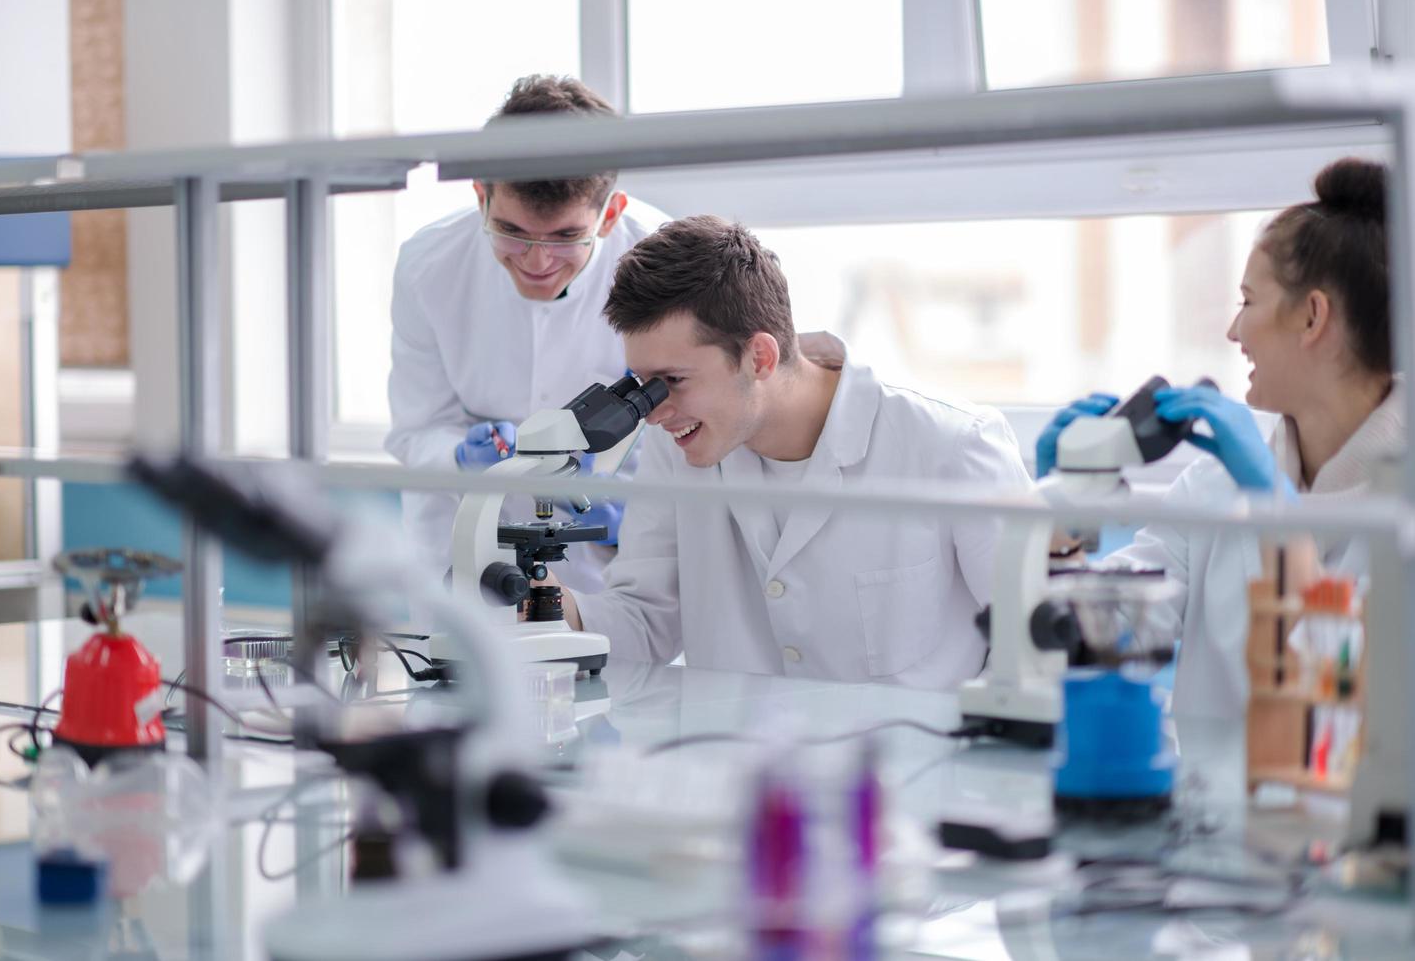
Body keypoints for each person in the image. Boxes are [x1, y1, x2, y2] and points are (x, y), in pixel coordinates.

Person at [561, 215, 1033, 689]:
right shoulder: (678, 447)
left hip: (915, 758)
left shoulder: (952, 445)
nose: (654, 413)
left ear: (760, 358)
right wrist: (557, 609)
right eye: (646, 386)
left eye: (674, 381)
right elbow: (646, 623)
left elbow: (1034, 646)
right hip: (736, 757)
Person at [1036, 157, 1402, 718]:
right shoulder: (1212, 484)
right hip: (1205, 801)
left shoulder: (1400, 506)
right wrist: (1057, 523)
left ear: (1312, 317)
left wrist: (1272, 506)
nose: (1234, 331)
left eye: (1248, 301)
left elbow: (1334, 704)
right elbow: (1106, 637)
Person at [384, 75, 669, 619]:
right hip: (461, 562)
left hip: (612, 573)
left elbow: (696, 430)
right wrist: (460, 458)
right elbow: (414, 429)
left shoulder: (665, 260)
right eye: (511, 231)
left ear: (609, 215)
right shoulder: (429, 266)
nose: (537, 262)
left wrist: (635, 504)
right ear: (480, 196)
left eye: (566, 236)